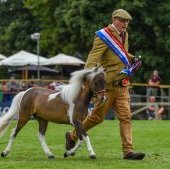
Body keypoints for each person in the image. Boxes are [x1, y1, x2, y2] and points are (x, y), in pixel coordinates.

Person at [65, 9, 145, 160]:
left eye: (127, 21)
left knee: (126, 117)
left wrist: (132, 58)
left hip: (122, 84)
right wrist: (87, 78)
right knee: (97, 118)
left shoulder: (124, 35)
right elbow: (93, 58)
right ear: (115, 20)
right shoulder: (103, 35)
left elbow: (122, 53)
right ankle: (72, 135)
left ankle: (128, 151)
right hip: (106, 86)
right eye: (123, 21)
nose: (126, 24)